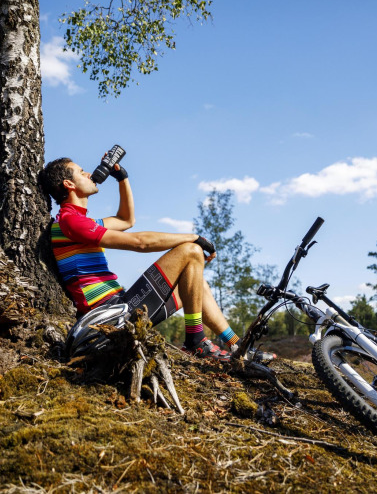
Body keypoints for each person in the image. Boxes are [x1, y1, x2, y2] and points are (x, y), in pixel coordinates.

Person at [40, 154, 275, 363]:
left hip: (122, 306)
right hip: (110, 316)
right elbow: (140, 242)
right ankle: (196, 342)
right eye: (81, 172)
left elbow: (125, 220)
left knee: (197, 284)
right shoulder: (69, 221)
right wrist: (194, 238)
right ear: (68, 184)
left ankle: (239, 347)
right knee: (191, 251)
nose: (89, 173)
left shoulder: (81, 222)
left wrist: (122, 178)